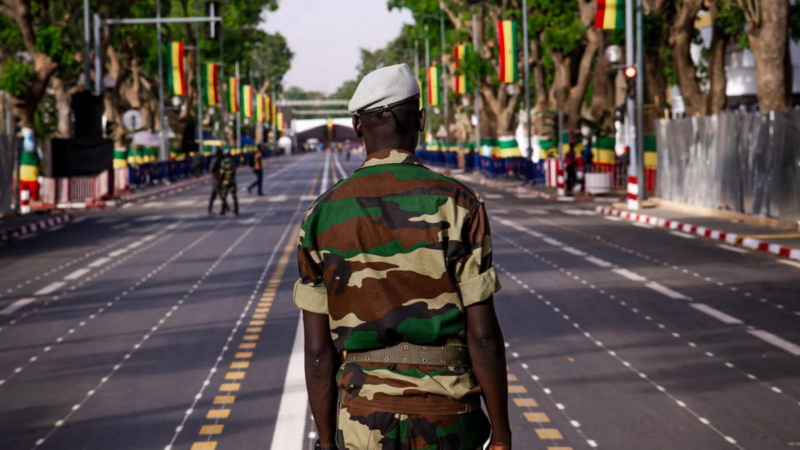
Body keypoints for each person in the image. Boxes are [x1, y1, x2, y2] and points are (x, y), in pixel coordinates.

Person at [293, 64, 511, 450]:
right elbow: (484, 336)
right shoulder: (459, 203)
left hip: (363, 419)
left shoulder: (322, 215)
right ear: (421, 119)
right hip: (449, 415)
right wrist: (502, 436)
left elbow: (317, 351)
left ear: (357, 126)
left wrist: (327, 441)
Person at [218, 151, 239, 215]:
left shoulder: (223, 162)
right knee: (234, 195)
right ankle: (236, 209)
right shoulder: (232, 162)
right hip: (232, 180)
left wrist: (219, 181)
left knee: (224, 196)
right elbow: (234, 171)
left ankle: (223, 210)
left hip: (226, 181)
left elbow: (222, 173)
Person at [207, 148, 224, 215]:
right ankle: (223, 209)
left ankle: (210, 210)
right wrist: (217, 178)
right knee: (221, 195)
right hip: (216, 180)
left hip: (217, 180)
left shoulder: (218, 160)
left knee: (214, 195)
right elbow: (212, 170)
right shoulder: (216, 160)